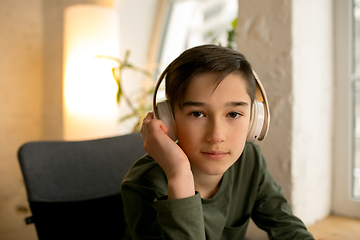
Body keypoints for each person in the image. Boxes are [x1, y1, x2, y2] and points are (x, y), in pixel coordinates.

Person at [121, 44, 314, 239]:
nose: (216, 136)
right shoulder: (143, 185)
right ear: (169, 119)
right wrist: (179, 173)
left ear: (254, 120)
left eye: (233, 114)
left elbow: (288, 229)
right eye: (197, 114)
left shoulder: (250, 161)